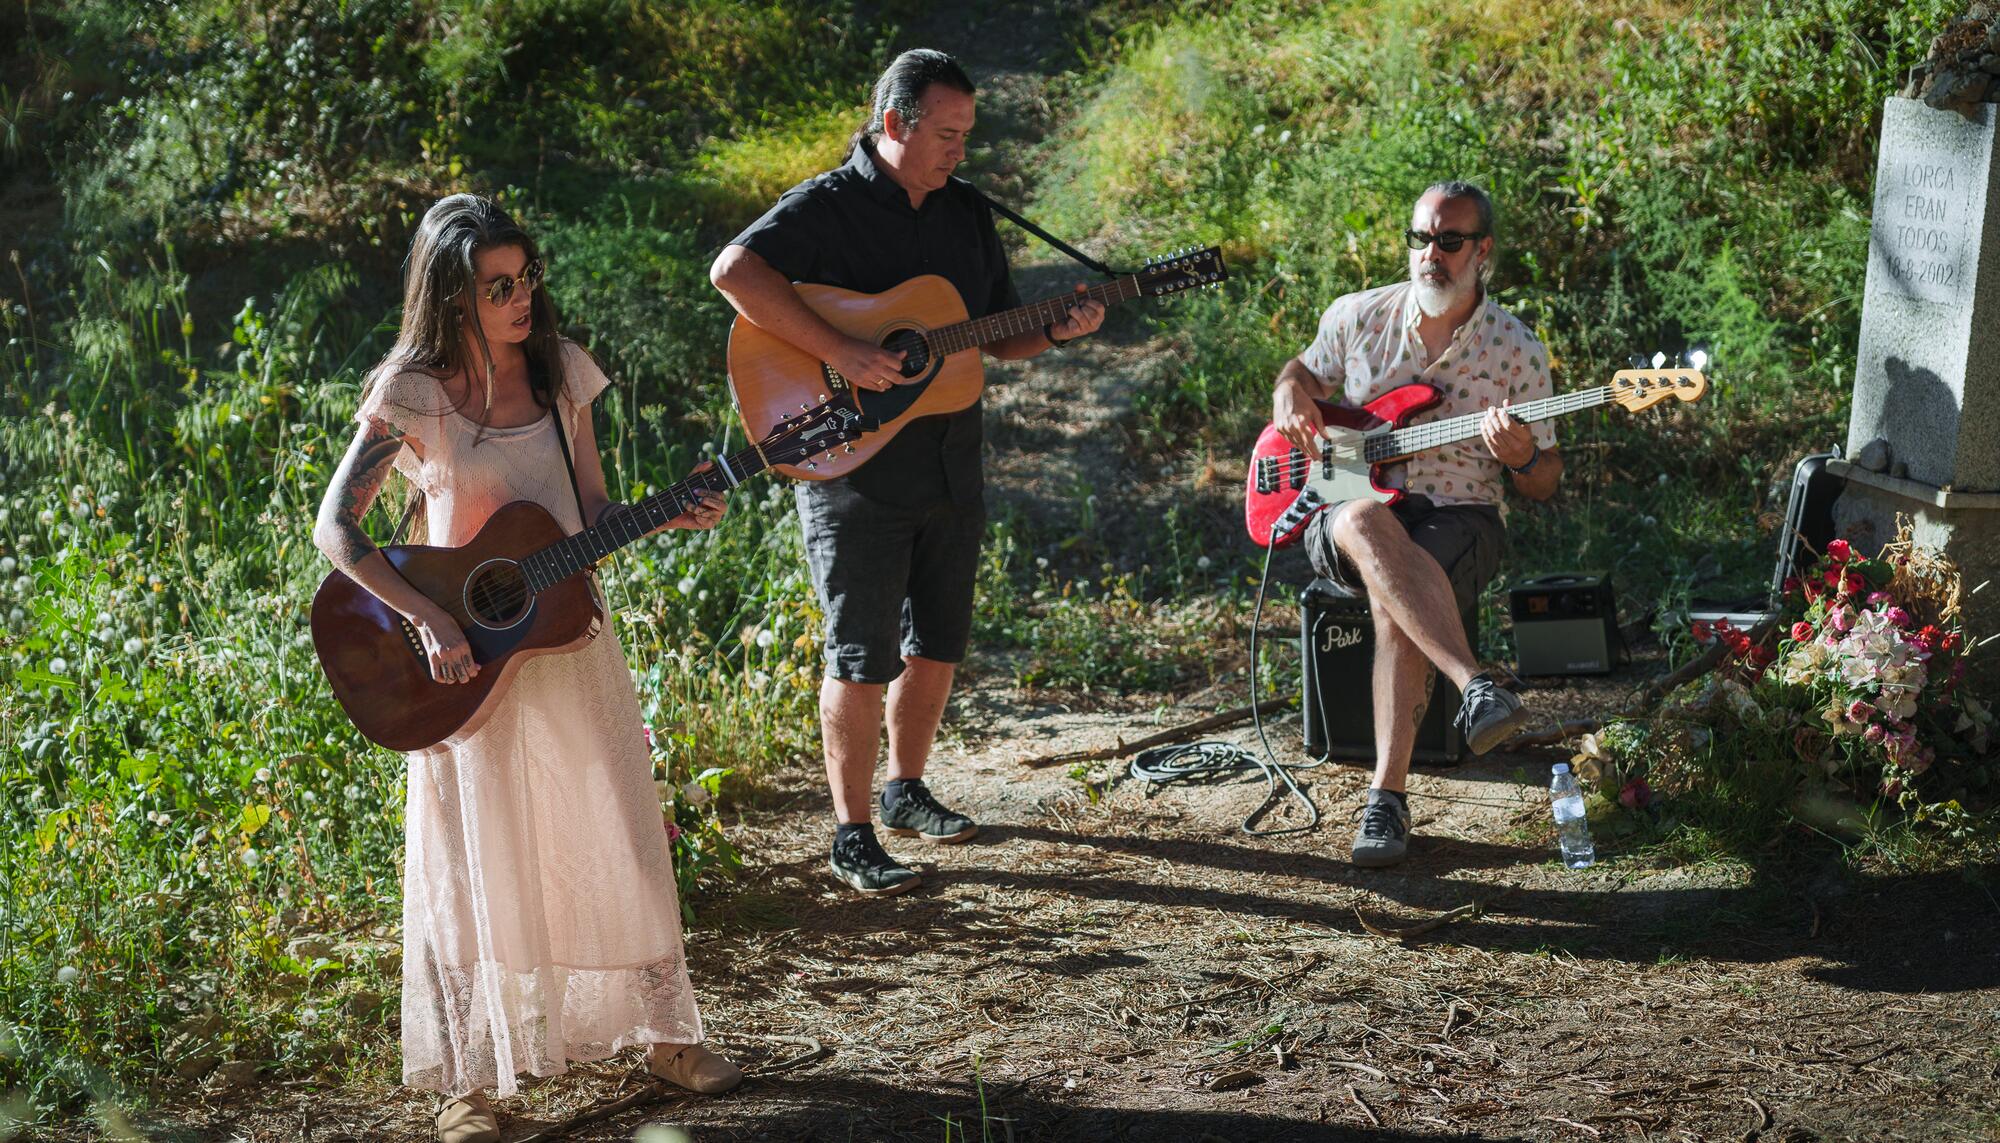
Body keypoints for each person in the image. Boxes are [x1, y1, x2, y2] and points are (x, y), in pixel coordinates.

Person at [313, 194, 740, 1143]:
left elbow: (588, 514)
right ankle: (473, 1080)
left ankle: (661, 1032)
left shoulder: (559, 377)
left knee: (617, 827)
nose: (521, 298)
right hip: (462, 663)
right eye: (497, 286)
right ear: (452, 295)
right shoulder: (411, 393)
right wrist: (428, 621)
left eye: (527, 277)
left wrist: (668, 511)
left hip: (568, 639)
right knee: (473, 863)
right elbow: (335, 528)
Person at [709, 48, 1106, 896]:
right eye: (948, 133)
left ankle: (907, 789)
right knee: (860, 653)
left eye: (969, 134)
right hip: (852, 467)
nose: (961, 151)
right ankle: (851, 832)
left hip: (950, 457)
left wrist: (1061, 330)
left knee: (940, 642)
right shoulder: (827, 206)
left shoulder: (965, 213)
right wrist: (844, 349)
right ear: (894, 123)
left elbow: (997, 332)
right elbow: (733, 271)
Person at [1269, 180, 1563, 869]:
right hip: (1343, 497)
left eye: (1449, 241)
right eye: (1421, 237)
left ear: (1482, 251)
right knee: (1370, 523)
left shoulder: (1515, 347)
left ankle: (1385, 799)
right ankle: (1475, 685)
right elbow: (1303, 374)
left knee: (1395, 593)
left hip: (1460, 511)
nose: (1431, 253)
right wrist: (1289, 390)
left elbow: (1547, 479)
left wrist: (1523, 458)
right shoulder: (1358, 314)